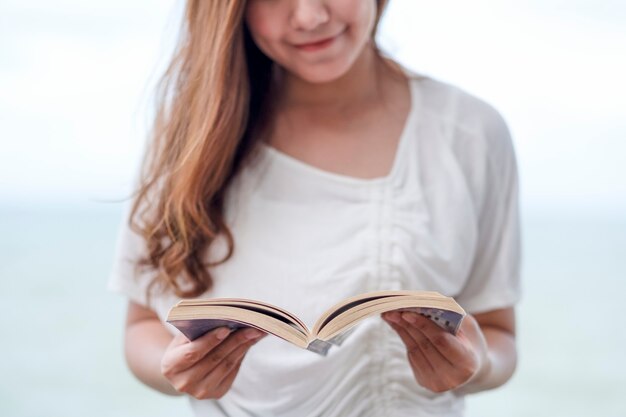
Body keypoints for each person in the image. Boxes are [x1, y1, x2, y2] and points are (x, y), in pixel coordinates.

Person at [108, 0, 521, 416]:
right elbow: (142, 326)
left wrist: (476, 365)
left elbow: (499, 333)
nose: (309, 17)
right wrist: (177, 372)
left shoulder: (471, 133)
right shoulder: (191, 137)